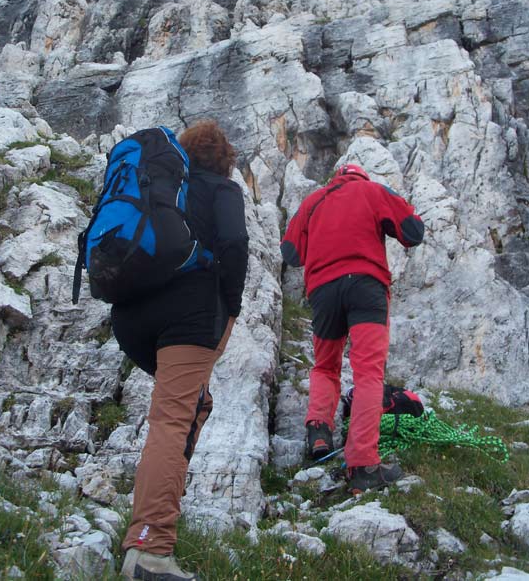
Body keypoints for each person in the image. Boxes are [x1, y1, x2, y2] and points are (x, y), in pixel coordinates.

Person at [111, 120, 249, 581]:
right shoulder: (222, 190)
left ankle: (157, 510)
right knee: (173, 417)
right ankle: (149, 550)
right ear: (225, 159)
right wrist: (231, 303)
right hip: (188, 316)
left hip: (131, 319)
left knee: (192, 405)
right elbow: (233, 242)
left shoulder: (162, 188)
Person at [281, 163, 424, 493]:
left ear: (335, 178)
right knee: (368, 373)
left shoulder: (313, 201)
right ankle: (363, 466)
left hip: (323, 292)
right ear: (362, 175)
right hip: (366, 287)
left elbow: (290, 252)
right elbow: (413, 232)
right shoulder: (373, 191)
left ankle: (319, 432)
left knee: (325, 365)